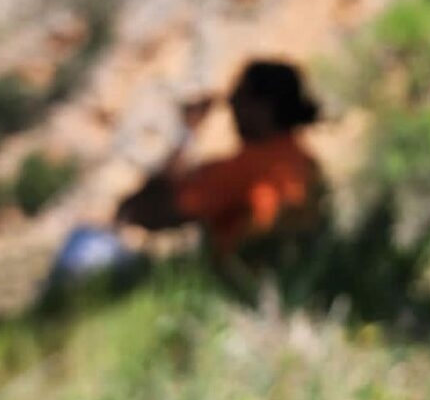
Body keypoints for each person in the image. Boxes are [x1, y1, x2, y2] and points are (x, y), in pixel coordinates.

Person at [116, 60, 323, 256]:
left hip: (238, 283)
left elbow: (143, 212)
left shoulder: (245, 170)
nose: (231, 104)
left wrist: (188, 131)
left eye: (240, 95)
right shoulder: (305, 162)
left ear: (264, 108)